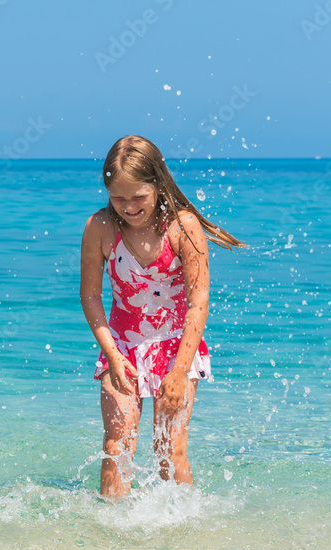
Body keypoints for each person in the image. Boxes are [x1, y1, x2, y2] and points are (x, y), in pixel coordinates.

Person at [79, 136, 244, 498]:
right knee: (115, 446)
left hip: (177, 348)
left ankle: (184, 535)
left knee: (170, 448)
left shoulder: (183, 227)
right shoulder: (99, 227)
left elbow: (199, 301)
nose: (128, 207)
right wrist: (112, 354)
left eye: (138, 197)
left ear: (157, 183)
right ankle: (108, 535)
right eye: (118, 198)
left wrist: (180, 369)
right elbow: (90, 295)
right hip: (121, 346)